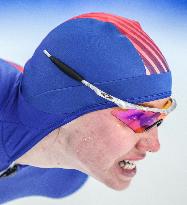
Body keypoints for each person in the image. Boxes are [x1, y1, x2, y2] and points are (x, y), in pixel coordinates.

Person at [0, 12, 176, 204]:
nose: (154, 145)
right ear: (67, 101)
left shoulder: (63, 178)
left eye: (160, 120)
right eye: (139, 117)